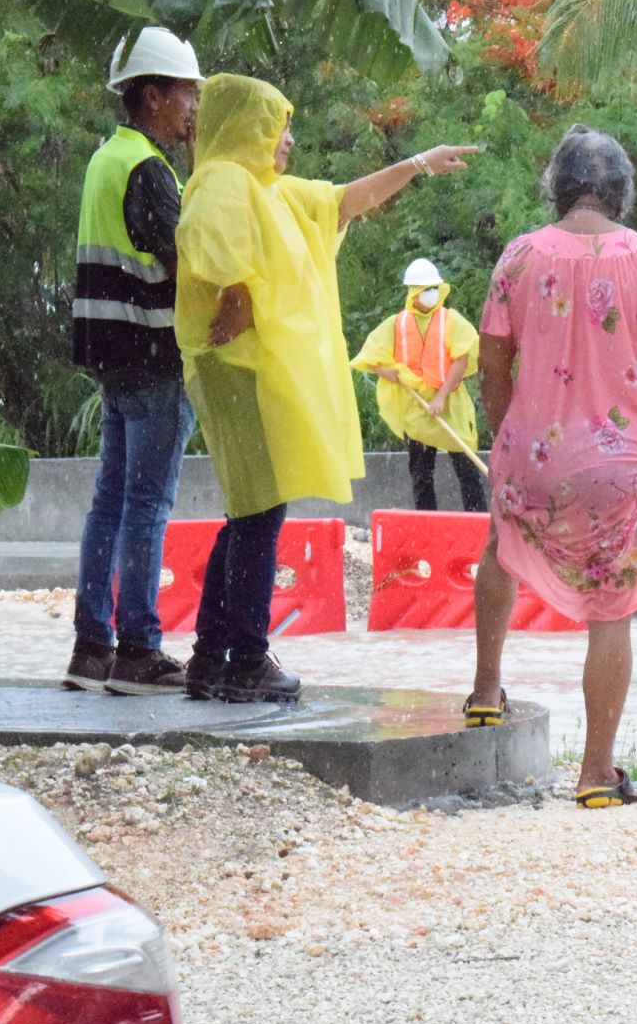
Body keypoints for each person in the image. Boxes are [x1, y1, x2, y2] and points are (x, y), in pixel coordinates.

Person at [174, 73, 478, 704]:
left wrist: (417, 164)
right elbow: (215, 249)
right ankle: (246, 659)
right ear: (246, 128)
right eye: (276, 126)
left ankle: (211, 658)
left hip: (256, 369)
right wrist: (237, 293)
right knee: (259, 512)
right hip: (239, 372)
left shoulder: (272, 193)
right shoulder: (224, 180)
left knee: (251, 511)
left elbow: (345, 201)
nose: (287, 140)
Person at [466, 125, 637, 809]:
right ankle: (596, 773)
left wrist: (510, 431)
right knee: (611, 610)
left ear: (558, 188)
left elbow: (491, 360)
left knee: (501, 546)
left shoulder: (519, 256)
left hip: (533, 455)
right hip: (621, 466)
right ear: (620, 193)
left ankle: (486, 690)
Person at [64, 28, 204, 696]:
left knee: (110, 502)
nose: (192, 110)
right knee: (147, 505)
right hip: (153, 353)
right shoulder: (149, 169)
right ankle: (139, 649)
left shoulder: (105, 157)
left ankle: (92, 648)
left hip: (111, 355)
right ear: (153, 96)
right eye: (186, 95)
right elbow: (189, 262)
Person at [350, 258, 487, 512]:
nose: (431, 293)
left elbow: (461, 360)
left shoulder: (451, 320)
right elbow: (367, 358)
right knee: (421, 474)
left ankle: (478, 520)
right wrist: (386, 371)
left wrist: (441, 397)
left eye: (434, 287)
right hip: (416, 408)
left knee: (467, 468)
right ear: (413, 293)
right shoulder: (397, 324)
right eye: (425, 289)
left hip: (449, 404)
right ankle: (426, 523)